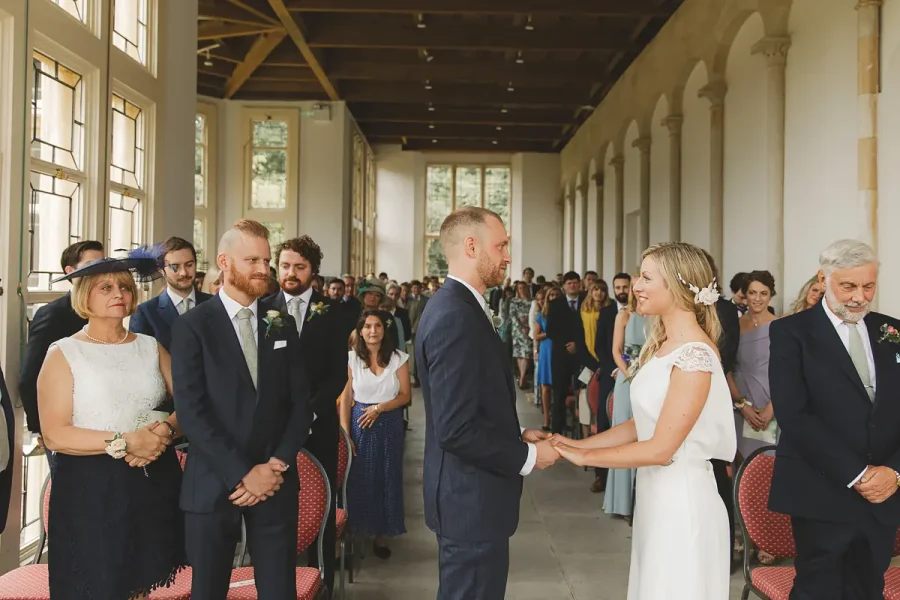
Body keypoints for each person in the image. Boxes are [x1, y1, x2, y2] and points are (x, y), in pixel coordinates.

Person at [551, 242, 737, 600]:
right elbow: (643, 424)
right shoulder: (665, 345)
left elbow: (661, 447)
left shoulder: (695, 356)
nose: (635, 285)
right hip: (655, 495)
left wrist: (584, 459)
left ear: (679, 289)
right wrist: (572, 444)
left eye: (647, 277)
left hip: (683, 502)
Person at [416, 207, 558, 600]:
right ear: (472, 246)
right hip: (469, 502)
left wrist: (516, 433)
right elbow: (455, 429)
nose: (508, 256)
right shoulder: (454, 317)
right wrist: (528, 457)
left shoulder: (459, 307)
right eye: (502, 246)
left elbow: (467, 403)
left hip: (472, 498)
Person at [171, 219, 311, 600]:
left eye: (266, 260)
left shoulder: (280, 322)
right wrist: (242, 474)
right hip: (213, 482)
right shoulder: (192, 327)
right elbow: (192, 412)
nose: (263, 269)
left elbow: (301, 404)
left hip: (275, 480)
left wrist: (276, 464)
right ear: (225, 262)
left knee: (279, 590)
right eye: (252, 260)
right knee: (208, 592)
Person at [37, 254, 184, 598]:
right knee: (97, 584)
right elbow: (55, 433)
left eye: (124, 287)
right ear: (84, 296)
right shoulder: (64, 353)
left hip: (152, 479)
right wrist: (126, 441)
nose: (118, 293)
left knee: (142, 584)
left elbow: (192, 404)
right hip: (90, 488)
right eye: (106, 287)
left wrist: (165, 432)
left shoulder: (150, 347)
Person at [769, 239, 900, 600]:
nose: (860, 296)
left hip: (883, 497)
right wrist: (857, 475)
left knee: (868, 587)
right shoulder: (791, 333)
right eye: (849, 286)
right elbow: (793, 414)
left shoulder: (893, 331)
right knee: (818, 588)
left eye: (868, 286)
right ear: (823, 278)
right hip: (821, 490)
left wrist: (894, 471)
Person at [264, 235, 347, 593]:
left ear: (313, 271)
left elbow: (337, 374)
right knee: (273, 504)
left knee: (322, 505)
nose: (291, 273)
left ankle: (322, 577)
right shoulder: (261, 308)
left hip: (319, 425)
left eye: (299, 267)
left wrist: (308, 413)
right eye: (285, 265)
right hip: (271, 428)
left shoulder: (333, 313)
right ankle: (272, 578)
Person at [19, 240, 104, 458]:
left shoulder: (104, 311)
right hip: (63, 426)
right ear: (70, 272)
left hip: (103, 424)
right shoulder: (53, 314)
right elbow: (30, 377)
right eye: (91, 264)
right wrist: (41, 429)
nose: (99, 270)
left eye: (102, 263)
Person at [340, 310, 411, 558]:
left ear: (384, 329)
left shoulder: (399, 359)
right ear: (360, 331)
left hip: (389, 422)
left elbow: (405, 396)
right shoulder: (351, 359)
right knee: (359, 478)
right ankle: (356, 531)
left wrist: (379, 408)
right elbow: (347, 396)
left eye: (378, 326)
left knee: (387, 477)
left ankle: (381, 535)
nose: (373, 331)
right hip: (360, 423)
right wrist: (346, 434)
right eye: (368, 326)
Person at [603, 289, 645, 522]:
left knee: (644, 435)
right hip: (627, 379)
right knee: (624, 434)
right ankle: (621, 502)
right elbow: (616, 351)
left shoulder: (657, 316)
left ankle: (640, 500)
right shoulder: (624, 315)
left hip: (650, 379)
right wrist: (630, 374)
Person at [586, 273, 630, 493]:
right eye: (617, 287)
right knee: (604, 424)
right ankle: (600, 475)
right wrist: (613, 368)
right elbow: (599, 346)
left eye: (624, 286)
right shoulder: (606, 313)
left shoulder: (641, 311)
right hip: (610, 374)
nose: (621, 290)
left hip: (633, 375)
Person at [129, 237, 213, 351]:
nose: (183, 273)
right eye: (175, 267)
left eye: (189, 265)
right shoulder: (145, 313)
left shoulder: (215, 305)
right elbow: (141, 360)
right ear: (161, 270)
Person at [533, 288, 554, 431]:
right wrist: (550, 333)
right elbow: (536, 335)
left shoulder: (561, 314)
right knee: (545, 387)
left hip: (559, 350)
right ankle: (547, 418)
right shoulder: (542, 315)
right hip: (546, 350)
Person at [509, 281, 533, 389]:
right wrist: (521, 326)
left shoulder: (531, 301)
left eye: (523, 287)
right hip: (518, 330)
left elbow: (534, 314)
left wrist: (528, 325)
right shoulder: (514, 301)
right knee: (519, 353)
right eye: (519, 288)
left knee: (526, 352)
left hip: (529, 328)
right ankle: (522, 375)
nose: (522, 289)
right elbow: (512, 315)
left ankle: (522, 377)